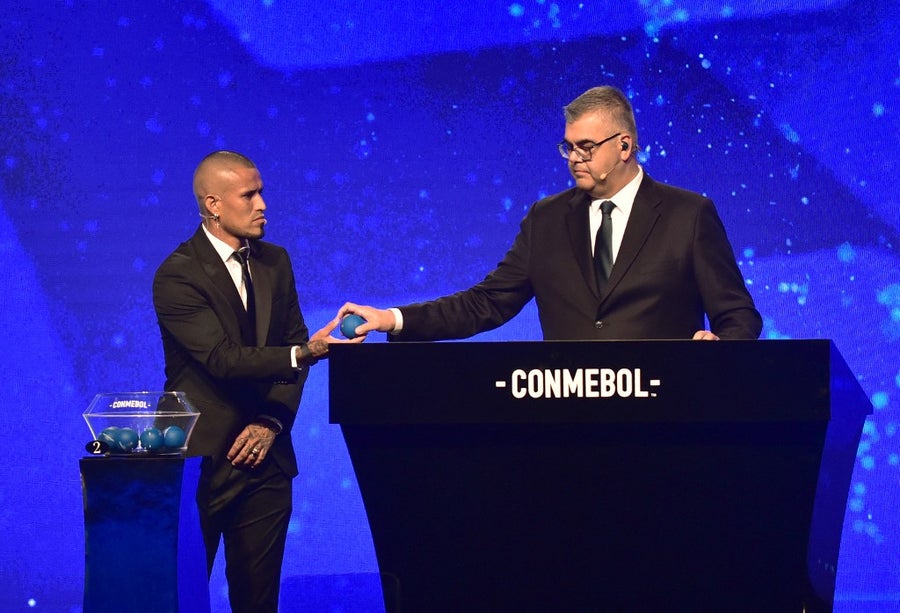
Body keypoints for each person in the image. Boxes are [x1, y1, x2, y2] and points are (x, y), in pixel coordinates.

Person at [339, 85, 762, 341]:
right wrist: (392, 319)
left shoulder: (688, 214)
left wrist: (719, 350)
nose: (574, 158)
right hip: (567, 424)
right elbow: (487, 303)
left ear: (624, 146)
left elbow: (738, 314)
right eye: (569, 147)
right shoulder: (546, 219)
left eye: (586, 147)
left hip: (664, 419)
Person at [153, 150, 358, 612]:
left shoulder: (275, 262)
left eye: (261, 192)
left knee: (259, 602)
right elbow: (223, 360)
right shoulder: (177, 274)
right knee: (182, 598)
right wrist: (306, 352)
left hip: (266, 460)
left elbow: (292, 345)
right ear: (213, 205)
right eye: (249, 195)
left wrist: (271, 421)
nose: (262, 204)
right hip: (200, 462)